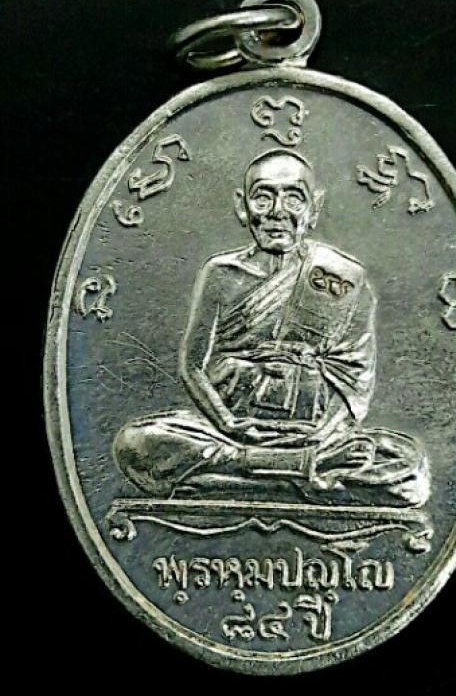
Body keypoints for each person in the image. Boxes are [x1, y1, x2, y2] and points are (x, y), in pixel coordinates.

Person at [113, 149, 429, 507]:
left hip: (314, 433)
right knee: (136, 443)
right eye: (263, 198)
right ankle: (295, 473)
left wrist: (320, 436)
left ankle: (243, 477)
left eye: (294, 198)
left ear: (314, 208)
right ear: (242, 206)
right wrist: (228, 423)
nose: (278, 212)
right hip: (231, 431)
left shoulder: (343, 279)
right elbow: (192, 365)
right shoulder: (221, 274)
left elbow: (354, 378)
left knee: (408, 468)